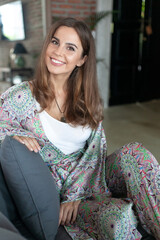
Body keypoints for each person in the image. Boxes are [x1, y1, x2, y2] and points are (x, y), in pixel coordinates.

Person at [0, 17, 159, 240]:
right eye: (54, 42)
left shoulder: (88, 99)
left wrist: (79, 193)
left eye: (70, 48)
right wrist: (14, 133)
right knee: (118, 219)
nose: (57, 52)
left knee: (136, 154)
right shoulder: (22, 96)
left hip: (94, 180)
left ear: (82, 59)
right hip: (62, 194)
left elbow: (97, 153)